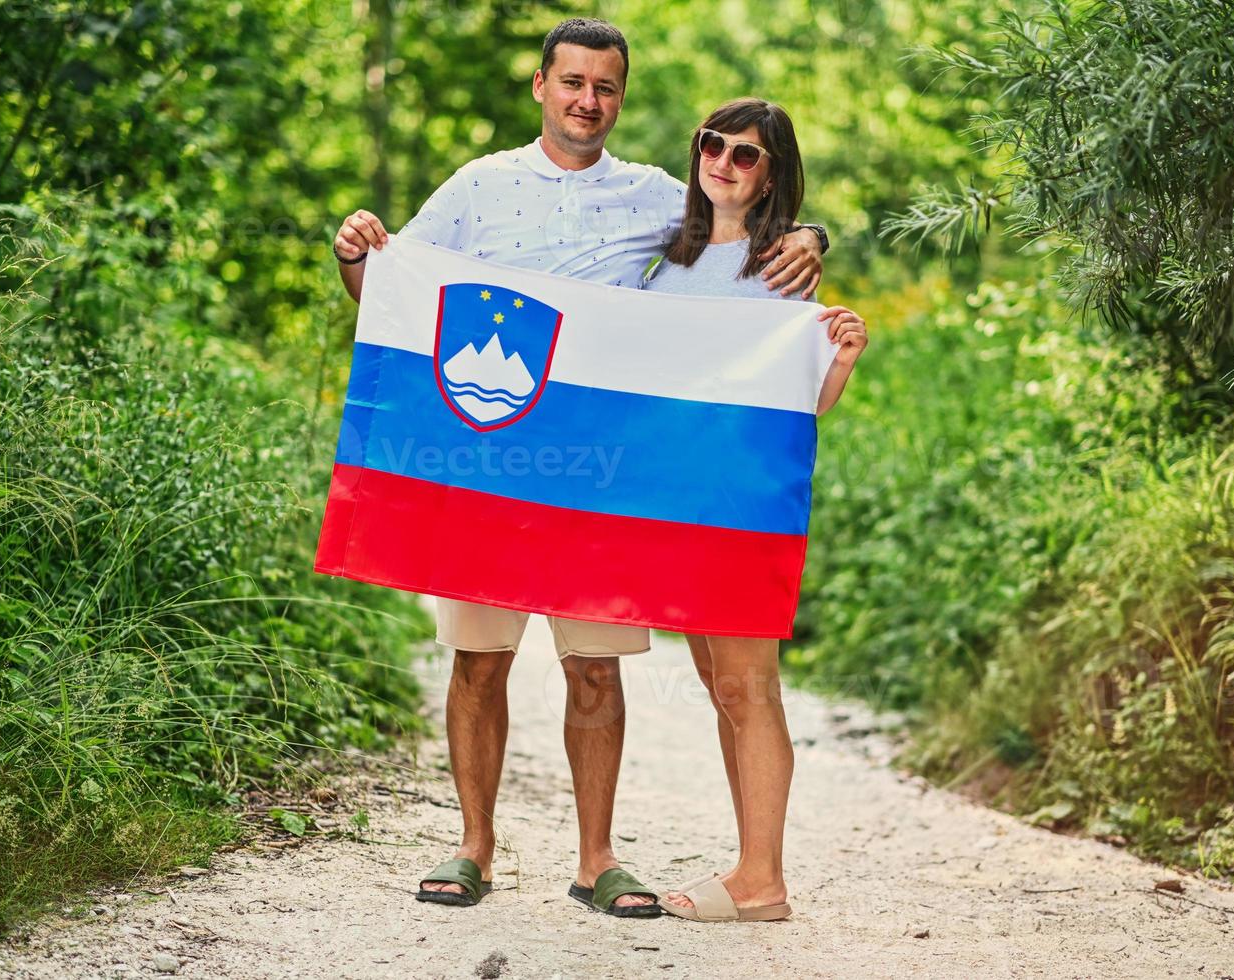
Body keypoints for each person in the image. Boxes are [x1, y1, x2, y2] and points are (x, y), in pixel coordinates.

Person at [328, 20, 830, 916]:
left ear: (621, 99)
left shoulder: (650, 198)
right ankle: (473, 845)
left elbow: (735, 224)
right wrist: (355, 252)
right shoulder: (477, 186)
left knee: (596, 668)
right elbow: (391, 289)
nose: (586, 100)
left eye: (604, 86)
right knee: (480, 661)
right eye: (572, 82)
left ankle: (597, 858)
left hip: (596, 478)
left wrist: (813, 235)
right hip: (489, 459)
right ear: (541, 86)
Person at [642, 98, 867, 923]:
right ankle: (751, 863)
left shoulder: (782, 265)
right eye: (714, 145)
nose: (725, 163)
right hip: (680, 503)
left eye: (748, 155)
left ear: (772, 174)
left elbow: (799, 399)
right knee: (719, 685)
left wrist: (839, 351)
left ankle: (763, 879)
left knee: (750, 686)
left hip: (741, 506)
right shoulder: (667, 257)